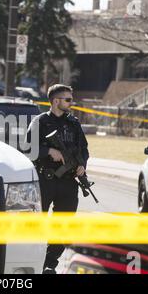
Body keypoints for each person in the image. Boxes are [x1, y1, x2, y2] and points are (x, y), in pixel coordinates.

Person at [24, 84, 89, 274]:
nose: (71, 102)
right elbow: (28, 148)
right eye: (67, 99)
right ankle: (33, 261)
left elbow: (84, 149)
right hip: (45, 179)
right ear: (55, 101)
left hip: (68, 181)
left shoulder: (74, 124)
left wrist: (82, 164)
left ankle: (49, 264)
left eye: (71, 99)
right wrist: (48, 151)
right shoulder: (40, 122)